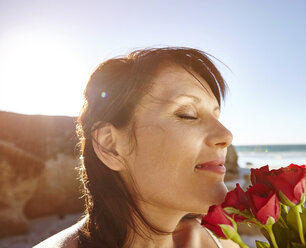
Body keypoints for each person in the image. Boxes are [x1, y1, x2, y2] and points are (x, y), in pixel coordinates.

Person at [34, 47, 239, 248]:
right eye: (188, 114)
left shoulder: (224, 242)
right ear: (110, 145)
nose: (226, 136)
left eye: (216, 117)